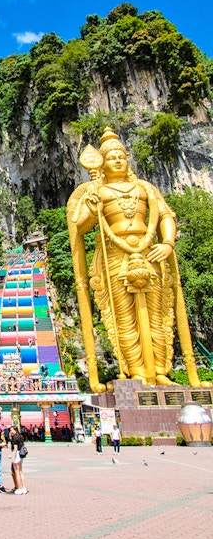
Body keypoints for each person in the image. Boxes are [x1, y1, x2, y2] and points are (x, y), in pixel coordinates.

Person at [67, 127, 204, 390]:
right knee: (123, 317)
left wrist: (167, 243)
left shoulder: (145, 188)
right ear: (103, 163)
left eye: (121, 155)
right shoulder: (97, 192)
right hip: (116, 256)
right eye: (112, 157)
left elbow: (165, 216)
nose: (117, 159)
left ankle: (161, 371)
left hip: (149, 251)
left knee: (157, 314)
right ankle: (137, 372)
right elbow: (79, 227)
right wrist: (93, 209)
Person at [9, 425, 27, 495]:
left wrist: (13, 457)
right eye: (10, 430)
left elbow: (15, 448)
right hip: (21, 455)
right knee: (20, 472)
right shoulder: (20, 437)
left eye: (12, 430)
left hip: (16, 455)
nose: (11, 432)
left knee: (16, 472)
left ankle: (19, 488)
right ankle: (24, 488)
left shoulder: (14, 437)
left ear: (15, 430)